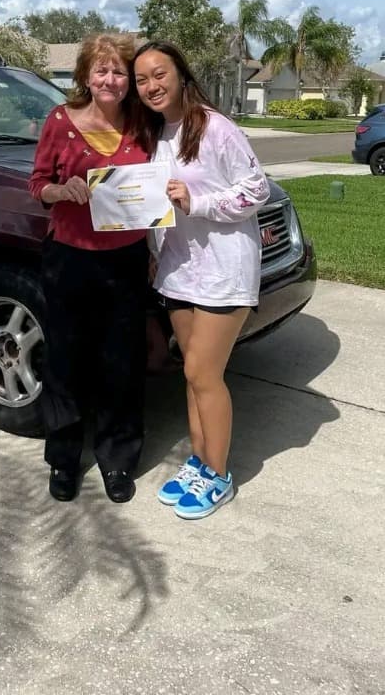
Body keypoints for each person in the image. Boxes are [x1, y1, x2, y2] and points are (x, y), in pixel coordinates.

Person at [132, 41, 270, 520]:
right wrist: (153, 252)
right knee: (191, 377)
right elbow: (151, 206)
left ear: (181, 74)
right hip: (178, 271)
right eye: (142, 79)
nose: (151, 86)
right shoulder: (153, 134)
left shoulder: (215, 127)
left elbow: (258, 189)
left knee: (202, 375)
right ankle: (199, 462)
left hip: (223, 270)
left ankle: (220, 475)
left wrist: (199, 202)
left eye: (159, 74)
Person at [29, 34, 149, 504]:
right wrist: (62, 191)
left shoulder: (143, 123)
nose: (110, 79)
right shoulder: (60, 122)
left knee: (121, 362)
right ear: (84, 75)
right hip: (70, 257)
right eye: (101, 70)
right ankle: (63, 457)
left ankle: (118, 459)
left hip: (127, 259)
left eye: (119, 71)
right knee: (65, 361)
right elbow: (37, 184)